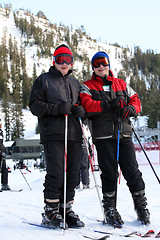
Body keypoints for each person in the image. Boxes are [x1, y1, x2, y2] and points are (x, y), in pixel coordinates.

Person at [80, 51, 150, 227]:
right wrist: (107, 104)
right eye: (96, 64)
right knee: (109, 174)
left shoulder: (121, 84)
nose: (101, 66)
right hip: (103, 136)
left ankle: (141, 207)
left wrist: (131, 109)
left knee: (132, 172)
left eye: (103, 62)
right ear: (93, 67)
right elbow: (87, 106)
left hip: (124, 134)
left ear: (109, 64)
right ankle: (110, 209)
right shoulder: (87, 86)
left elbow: (136, 101)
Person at [29, 44, 85, 229]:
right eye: (61, 59)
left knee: (73, 174)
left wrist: (79, 110)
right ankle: (51, 210)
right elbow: (35, 106)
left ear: (72, 63)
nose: (64, 63)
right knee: (57, 172)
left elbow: (80, 104)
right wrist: (57, 109)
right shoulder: (43, 80)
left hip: (74, 133)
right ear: (54, 61)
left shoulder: (75, 83)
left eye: (68, 60)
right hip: (53, 133)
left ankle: (65, 208)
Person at [0, 127, 10, 191]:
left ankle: (5, 184)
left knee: (4, 170)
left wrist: (6, 151)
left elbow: (2, 145)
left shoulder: (1, 133)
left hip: (2, 156)